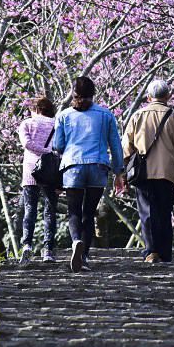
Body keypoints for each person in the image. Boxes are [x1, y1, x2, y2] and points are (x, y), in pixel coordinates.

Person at [116, 78, 174, 263]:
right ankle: (165, 254)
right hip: (168, 174)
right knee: (165, 213)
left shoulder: (137, 116)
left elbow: (126, 148)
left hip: (144, 173)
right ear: (168, 96)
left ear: (149, 97)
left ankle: (151, 252)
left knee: (147, 213)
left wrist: (122, 173)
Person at [53, 76, 124, 272]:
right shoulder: (106, 115)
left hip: (72, 167)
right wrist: (119, 172)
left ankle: (76, 241)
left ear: (73, 93)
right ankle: (83, 259)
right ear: (94, 93)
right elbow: (116, 146)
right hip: (98, 167)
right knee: (89, 213)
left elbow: (58, 146)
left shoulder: (64, 115)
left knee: (74, 211)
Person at [17, 96, 59, 263]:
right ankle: (48, 250)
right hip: (51, 172)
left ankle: (27, 245)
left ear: (35, 109)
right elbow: (61, 148)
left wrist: (41, 151)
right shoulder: (56, 124)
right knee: (50, 211)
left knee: (30, 210)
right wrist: (49, 153)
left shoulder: (27, 123)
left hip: (31, 171)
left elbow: (26, 144)